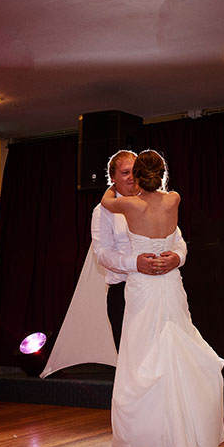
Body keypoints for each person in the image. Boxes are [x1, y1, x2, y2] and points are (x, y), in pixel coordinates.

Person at [101, 150, 224, 447]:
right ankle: (189, 436)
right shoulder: (174, 200)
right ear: (163, 173)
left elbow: (107, 200)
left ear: (139, 176)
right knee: (176, 354)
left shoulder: (128, 205)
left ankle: (153, 439)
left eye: (132, 172)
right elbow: (103, 252)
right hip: (168, 286)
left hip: (146, 289)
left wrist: (111, 185)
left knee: (143, 357)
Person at [91, 150, 187, 350]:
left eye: (135, 171)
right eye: (126, 172)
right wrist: (135, 264)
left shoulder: (161, 202)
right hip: (125, 292)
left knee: (170, 349)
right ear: (113, 177)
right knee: (133, 353)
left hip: (163, 287)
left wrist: (177, 258)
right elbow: (101, 252)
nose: (132, 177)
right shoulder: (103, 212)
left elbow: (177, 239)